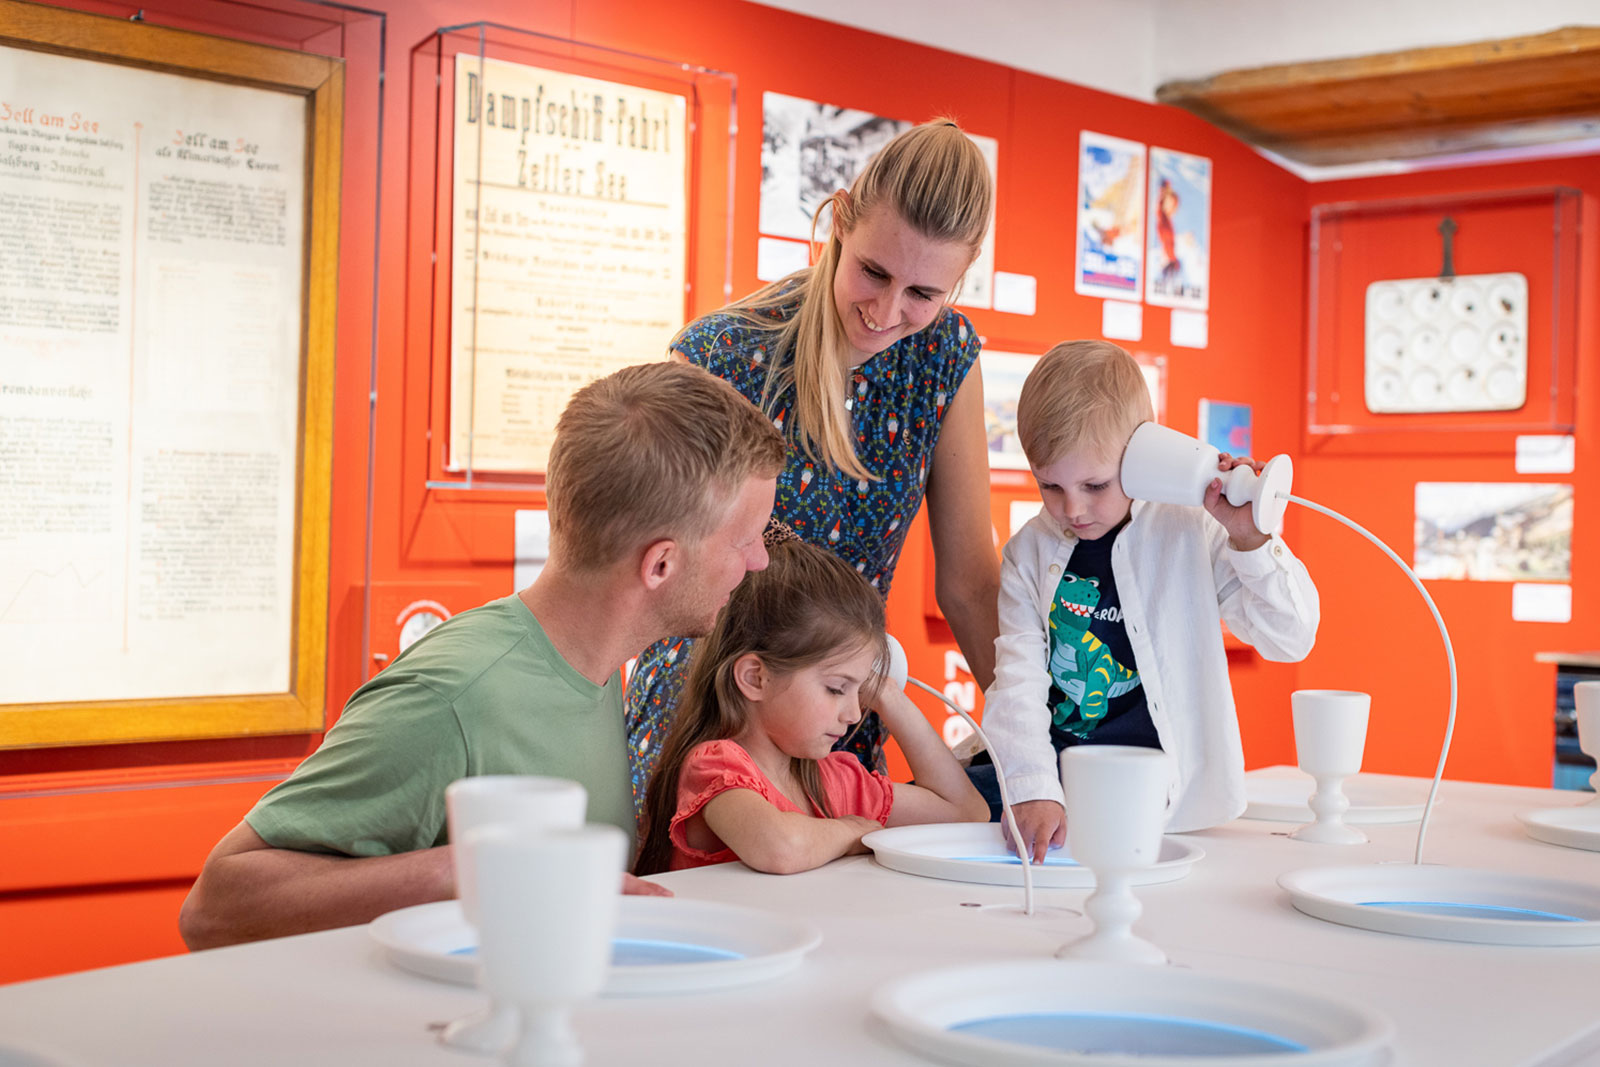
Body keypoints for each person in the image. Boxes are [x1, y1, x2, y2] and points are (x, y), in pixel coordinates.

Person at [178, 362, 787, 949]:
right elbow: (215, 908)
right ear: (660, 564)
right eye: (746, 538)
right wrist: (467, 873)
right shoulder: (449, 698)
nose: (759, 560)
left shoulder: (594, 669)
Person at [628, 118, 1002, 804]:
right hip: (709, 718)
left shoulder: (946, 356)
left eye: (924, 293)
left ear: (960, 278)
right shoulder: (724, 354)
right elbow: (660, 568)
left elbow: (972, 584)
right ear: (840, 223)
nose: (887, 311)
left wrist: (1034, 745)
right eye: (874, 271)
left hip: (836, 725)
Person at [976, 340, 1320, 863]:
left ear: (1142, 455)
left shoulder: (1193, 530)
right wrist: (1032, 786)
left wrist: (1251, 541)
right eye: (1049, 485)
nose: (1073, 508)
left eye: (1095, 484)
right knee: (947, 797)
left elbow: (1290, 638)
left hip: (1159, 795)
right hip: (1062, 781)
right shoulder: (1028, 551)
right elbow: (1018, 680)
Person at [634, 527, 989, 876]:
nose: (853, 714)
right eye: (836, 688)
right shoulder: (715, 767)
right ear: (755, 678)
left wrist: (887, 694)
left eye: (860, 690)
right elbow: (780, 848)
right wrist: (851, 830)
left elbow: (966, 813)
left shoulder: (832, 781)